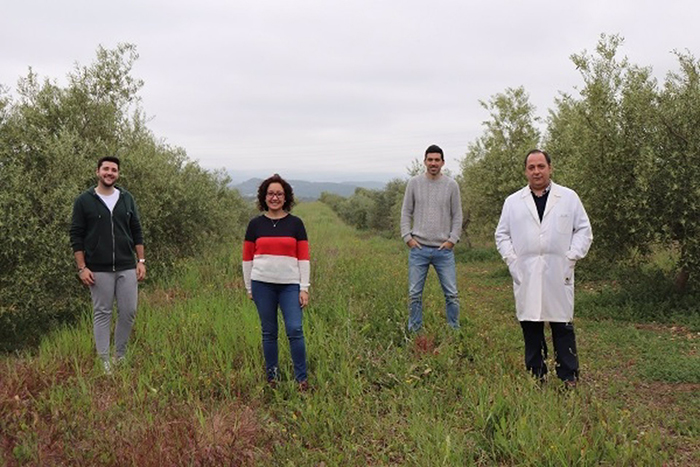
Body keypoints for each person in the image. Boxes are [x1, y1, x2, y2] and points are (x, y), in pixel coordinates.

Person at [495, 149, 593, 387]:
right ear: (526, 171)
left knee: (562, 325)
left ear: (550, 168)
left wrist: (572, 256)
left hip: (558, 270)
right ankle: (537, 376)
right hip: (526, 271)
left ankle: (568, 376)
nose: (536, 171)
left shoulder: (568, 198)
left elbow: (583, 230)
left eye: (541, 166)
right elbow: (502, 234)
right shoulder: (513, 202)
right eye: (531, 167)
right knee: (531, 325)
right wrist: (512, 260)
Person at [70, 156, 146, 375]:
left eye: (114, 170)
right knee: (102, 312)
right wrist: (82, 267)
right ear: (98, 172)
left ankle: (119, 355)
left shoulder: (127, 198)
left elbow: (136, 230)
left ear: (118, 174)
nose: (109, 173)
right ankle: (104, 361)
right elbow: (76, 235)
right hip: (98, 268)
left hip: (126, 265)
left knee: (129, 311)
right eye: (106, 169)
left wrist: (141, 261)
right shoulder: (84, 200)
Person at [242, 174, 310, 391]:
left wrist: (304, 287)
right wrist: (249, 287)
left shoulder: (296, 224)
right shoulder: (255, 225)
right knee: (269, 332)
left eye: (279, 194)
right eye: (271, 193)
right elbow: (247, 259)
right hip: (262, 285)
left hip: (290, 285)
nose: (275, 197)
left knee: (295, 329)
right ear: (264, 196)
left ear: (286, 197)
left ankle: (302, 379)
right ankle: (272, 378)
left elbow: (304, 258)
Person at [400, 144, 463, 332]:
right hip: (418, 248)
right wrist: (408, 238)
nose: (433, 163)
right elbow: (406, 212)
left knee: (451, 294)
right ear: (425, 161)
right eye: (430, 160)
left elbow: (457, 215)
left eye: (437, 160)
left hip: (443, 250)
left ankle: (454, 330)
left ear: (443, 162)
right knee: (414, 294)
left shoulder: (451, 185)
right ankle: (415, 331)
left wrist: (452, 239)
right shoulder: (414, 183)